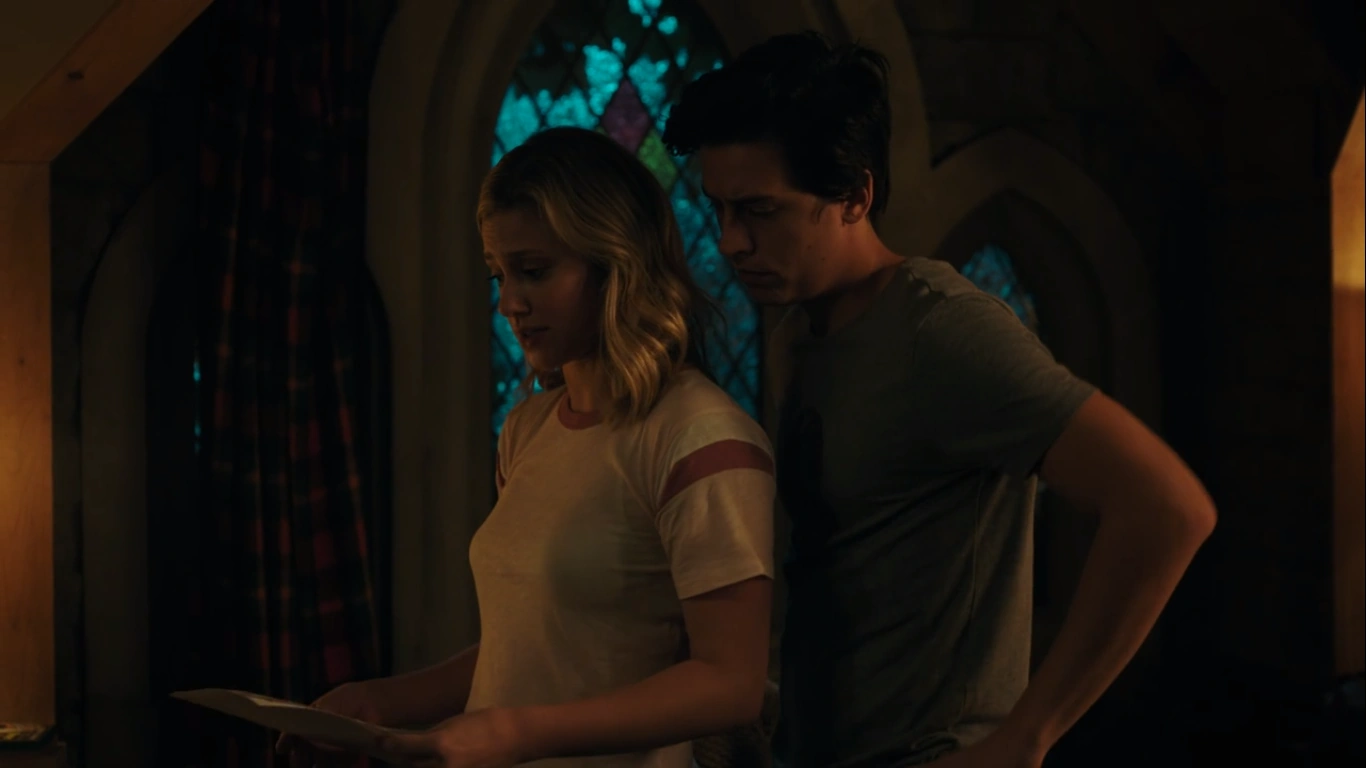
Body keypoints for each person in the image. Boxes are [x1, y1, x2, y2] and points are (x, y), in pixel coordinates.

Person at [662, 31, 1218, 768]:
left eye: (759, 210)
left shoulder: (942, 329)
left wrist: (1027, 736)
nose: (731, 241)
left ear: (855, 195)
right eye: (721, 210)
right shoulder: (808, 330)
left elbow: (1168, 507)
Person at [277, 126, 777, 768]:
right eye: (498, 275)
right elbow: (533, 649)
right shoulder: (529, 429)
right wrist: (381, 702)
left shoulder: (699, 437)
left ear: (614, 265)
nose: (510, 304)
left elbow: (730, 683)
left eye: (534, 271)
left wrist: (515, 733)